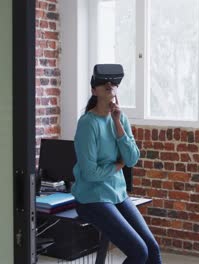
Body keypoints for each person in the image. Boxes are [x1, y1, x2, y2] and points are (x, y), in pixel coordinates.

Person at [72, 79, 162, 264]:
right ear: (94, 91)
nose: (109, 84)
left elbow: (131, 158)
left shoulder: (120, 118)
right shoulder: (88, 124)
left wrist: (118, 123)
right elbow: (90, 173)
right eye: (102, 82)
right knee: (139, 251)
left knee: (152, 249)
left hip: (117, 194)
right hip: (92, 198)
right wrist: (117, 166)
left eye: (112, 82)